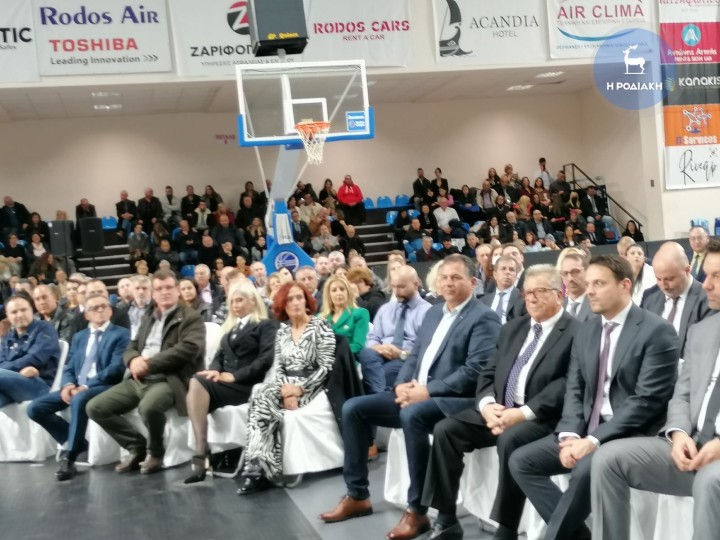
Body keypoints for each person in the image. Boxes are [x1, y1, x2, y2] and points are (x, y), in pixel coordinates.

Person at [319, 255, 502, 540]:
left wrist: (428, 391)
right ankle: (357, 495)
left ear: (473, 282)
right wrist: (401, 386)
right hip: (417, 392)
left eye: (456, 277)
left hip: (454, 400)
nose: (448, 283)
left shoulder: (484, 317)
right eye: (444, 277)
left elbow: (474, 371)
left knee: (412, 415)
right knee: (354, 408)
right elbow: (414, 356)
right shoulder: (434, 313)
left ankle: (417, 510)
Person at [509, 255, 680, 540]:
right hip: (586, 428)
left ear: (625, 285)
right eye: (588, 284)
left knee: (587, 469)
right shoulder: (587, 329)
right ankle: (577, 536)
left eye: (599, 284)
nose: (589, 291)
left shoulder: (657, 331)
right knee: (521, 461)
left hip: (629, 433)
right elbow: (575, 388)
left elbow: (646, 401)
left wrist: (593, 440)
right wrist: (569, 435)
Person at [421, 265, 580, 540]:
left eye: (540, 291)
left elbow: (567, 383)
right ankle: (446, 518)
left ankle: (507, 529)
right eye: (527, 292)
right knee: (446, 430)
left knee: (511, 439)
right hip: (499, 410)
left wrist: (523, 413)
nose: (531, 298)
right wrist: (486, 406)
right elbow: (488, 372)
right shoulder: (512, 329)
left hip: (541, 416)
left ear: (559, 294)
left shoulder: (577, 331)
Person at [590, 240, 720, 540]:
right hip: (693, 443)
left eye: (716, 276)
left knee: (710, 482)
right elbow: (682, 395)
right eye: (707, 274)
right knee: (608, 459)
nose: (706, 284)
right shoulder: (702, 331)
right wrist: (679, 434)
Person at [86, 270, 206, 475]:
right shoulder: (149, 316)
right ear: (154, 293)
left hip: (169, 378)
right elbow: (132, 346)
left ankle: (156, 453)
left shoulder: (191, 317)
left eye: (169, 287)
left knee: (149, 407)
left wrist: (149, 364)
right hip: (139, 378)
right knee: (95, 407)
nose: (164, 292)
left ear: (177, 290)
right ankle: (136, 446)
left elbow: (188, 350)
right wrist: (133, 360)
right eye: (159, 289)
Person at [236, 281, 336, 494]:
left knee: (261, 396)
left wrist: (300, 390)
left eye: (300, 297)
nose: (296, 302)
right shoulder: (282, 333)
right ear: (283, 304)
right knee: (259, 391)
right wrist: (285, 391)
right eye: (290, 299)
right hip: (287, 386)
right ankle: (258, 466)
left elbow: (327, 367)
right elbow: (279, 367)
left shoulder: (320, 326)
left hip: (314, 385)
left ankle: (259, 469)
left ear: (307, 301)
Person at [27, 294, 130, 481]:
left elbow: (116, 369)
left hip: (104, 385)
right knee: (35, 408)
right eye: (95, 308)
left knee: (80, 398)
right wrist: (68, 385)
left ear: (111, 310)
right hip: (76, 386)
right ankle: (79, 443)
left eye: (105, 306)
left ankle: (70, 457)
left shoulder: (121, 334)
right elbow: (69, 367)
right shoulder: (79, 337)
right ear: (86, 315)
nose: (101, 310)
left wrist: (85, 386)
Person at [184, 281, 278, 484]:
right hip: (226, 383)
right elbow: (219, 355)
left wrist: (236, 376)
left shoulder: (266, 325)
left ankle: (202, 453)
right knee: (198, 381)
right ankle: (204, 451)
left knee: (197, 383)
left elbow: (265, 360)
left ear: (252, 301)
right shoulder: (231, 328)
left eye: (239, 300)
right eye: (232, 301)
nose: (235, 305)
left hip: (248, 384)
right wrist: (214, 371)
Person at [357, 266, 431, 394]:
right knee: (366, 354)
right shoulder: (385, 309)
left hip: (407, 357)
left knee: (382, 373)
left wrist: (401, 353)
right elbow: (373, 337)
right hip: (381, 354)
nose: (397, 292)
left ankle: (378, 395)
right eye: (394, 287)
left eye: (401, 287)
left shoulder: (428, 311)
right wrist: (378, 348)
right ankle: (381, 394)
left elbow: (427, 348)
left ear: (416, 284)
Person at [641, 241, 713, 358]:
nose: (663, 286)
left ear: (687, 270)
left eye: (669, 279)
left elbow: (706, 351)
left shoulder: (708, 299)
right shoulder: (650, 297)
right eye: (658, 279)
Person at [0, 295, 61, 407]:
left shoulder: (45, 328)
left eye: (23, 310)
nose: (20, 315)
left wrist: (10, 372)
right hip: (10, 384)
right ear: (8, 316)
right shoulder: (8, 337)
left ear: (31, 310)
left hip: (40, 385)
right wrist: (16, 373)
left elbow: (35, 358)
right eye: (14, 312)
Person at [322, 275, 370, 356]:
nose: (339, 293)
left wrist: (333, 351)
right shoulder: (320, 318)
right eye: (334, 290)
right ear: (328, 295)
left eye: (342, 289)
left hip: (348, 358)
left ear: (348, 292)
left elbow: (358, 346)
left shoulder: (360, 313)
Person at [482, 256, 525, 324]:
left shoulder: (523, 299)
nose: (507, 272)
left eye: (511, 269)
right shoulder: (483, 301)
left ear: (516, 275)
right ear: (495, 275)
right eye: (503, 268)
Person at [558, 248, 592, 321]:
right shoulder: (557, 308)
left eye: (575, 272)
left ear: (587, 271)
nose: (570, 278)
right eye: (565, 273)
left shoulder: (600, 304)